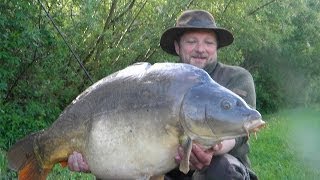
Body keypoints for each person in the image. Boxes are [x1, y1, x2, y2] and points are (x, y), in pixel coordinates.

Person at [68, 9, 257, 180]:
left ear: (216, 47)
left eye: (208, 42)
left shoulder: (237, 77)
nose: (201, 49)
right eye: (191, 42)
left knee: (222, 169)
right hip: (165, 173)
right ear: (177, 47)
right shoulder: (160, 82)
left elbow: (240, 129)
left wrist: (214, 149)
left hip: (219, 170)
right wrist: (97, 158)